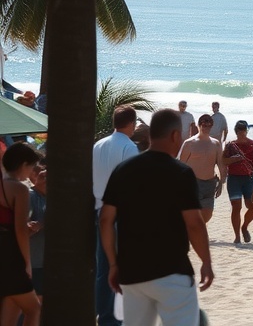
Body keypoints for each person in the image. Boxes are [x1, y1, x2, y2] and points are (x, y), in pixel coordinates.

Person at [100, 108, 214, 326]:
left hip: (132, 273)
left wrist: (114, 264)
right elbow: (195, 224)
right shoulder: (181, 173)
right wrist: (206, 262)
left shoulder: (123, 170)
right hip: (171, 272)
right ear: (174, 135)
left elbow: (105, 220)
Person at [92, 104, 140, 326]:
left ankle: (104, 315)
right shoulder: (129, 148)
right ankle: (114, 318)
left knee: (103, 267)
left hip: (99, 208)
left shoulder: (98, 145)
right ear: (131, 123)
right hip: (120, 212)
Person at [1, 143, 41, 326]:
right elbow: (19, 230)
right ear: (24, 164)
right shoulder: (20, 189)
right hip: (11, 259)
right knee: (34, 309)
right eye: (32, 166)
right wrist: (27, 264)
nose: (32, 171)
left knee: (11, 314)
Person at [177, 113, 226, 224]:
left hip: (210, 183)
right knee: (193, 216)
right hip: (193, 183)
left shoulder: (216, 144)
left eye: (208, 125)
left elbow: (220, 164)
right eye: (203, 125)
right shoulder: (189, 143)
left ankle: (193, 232)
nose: (206, 127)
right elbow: (181, 165)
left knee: (207, 215)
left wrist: (221, 184)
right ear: (199, 125)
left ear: (211, 126)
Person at [223, 120, 253, 244]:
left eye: (243, 130)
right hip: (234, 179)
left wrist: (252, 165)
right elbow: (223, 161)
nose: (241, 133)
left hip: (249, 179)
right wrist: (233, 159)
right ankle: (237, 236)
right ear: (236, 131)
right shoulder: (230, 145)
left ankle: (244, 227)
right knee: (236, 207)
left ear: (246, 130)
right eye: (239, 130)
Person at [27, 165, 46, 301]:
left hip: (45, 261)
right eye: (42, 176)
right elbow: (22, 229)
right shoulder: (29, 196)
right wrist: (33, 227)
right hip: (33, 261)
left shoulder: (54, 199)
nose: (45, 179)